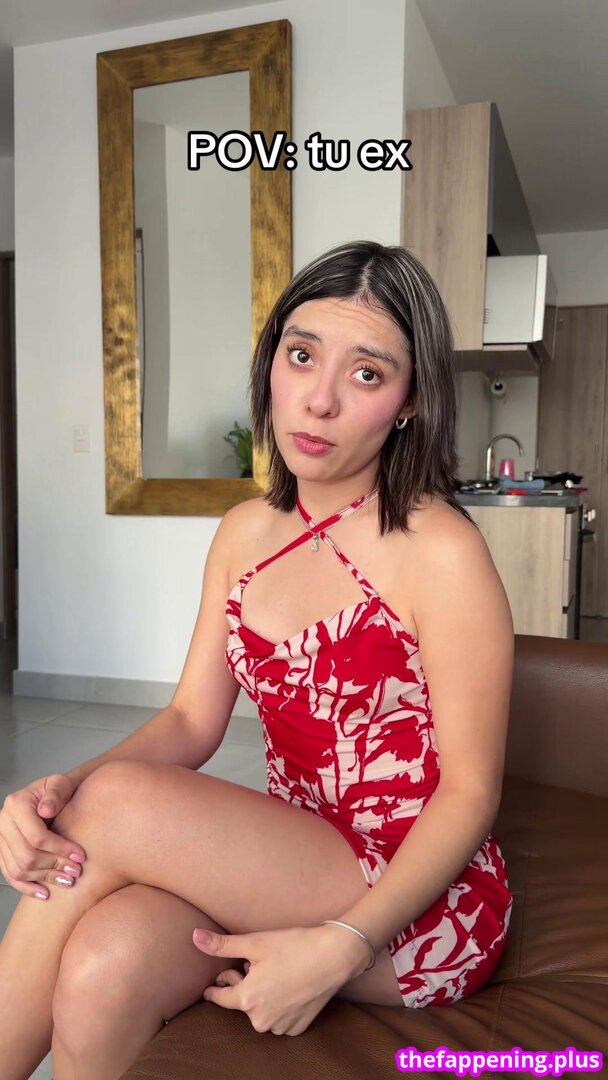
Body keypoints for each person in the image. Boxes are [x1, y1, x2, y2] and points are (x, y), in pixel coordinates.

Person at [0, 240, 514, 1077]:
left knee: (118, 800)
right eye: (302, 355)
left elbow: (471, 793)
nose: (319, 399)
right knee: (103, 962)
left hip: (418, 897)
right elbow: (190, 719)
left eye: (367, 374)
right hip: (294, 857)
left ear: (411, 400)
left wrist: (344, 943)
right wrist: (58, 790)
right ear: (272, 360)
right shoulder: (243, 532)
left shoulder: (441, 550)